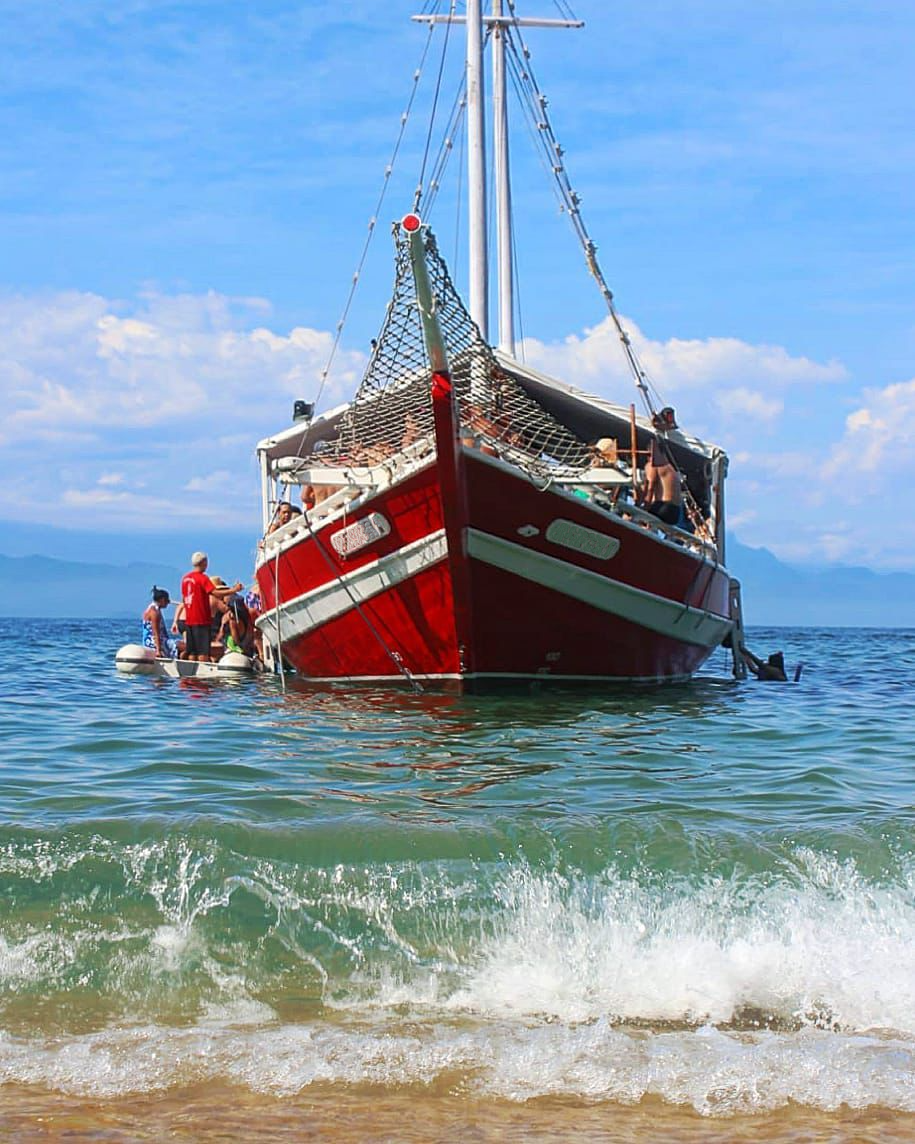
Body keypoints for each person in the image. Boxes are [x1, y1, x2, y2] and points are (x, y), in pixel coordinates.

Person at [180, 552, 242, 663]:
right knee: (203, 651)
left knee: (193, 651)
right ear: (204, 563)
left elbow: (185, 598)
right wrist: (234, 590)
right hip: (201, 620)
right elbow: (215, 593)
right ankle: (202, 675)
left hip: (189, 620)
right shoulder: (202, 578)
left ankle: (190, 676)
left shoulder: (185, 579)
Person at [641, 438, 682, 525]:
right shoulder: (672, 469)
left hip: (663, 508)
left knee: (631, 515)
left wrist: (644, 509)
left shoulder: (654, 465)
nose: (649, 457)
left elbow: (650, 489)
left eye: (649, 454)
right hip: (676, 513)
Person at [142, 586, 181, 659]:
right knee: (186, 647)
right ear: (162, 600)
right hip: (154, 644)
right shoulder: (154, 612)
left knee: (183, 646)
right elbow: (155, 632)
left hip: (160, 641)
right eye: (167, 600)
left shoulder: (154, 609)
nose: (168, 602)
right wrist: (158, 650)